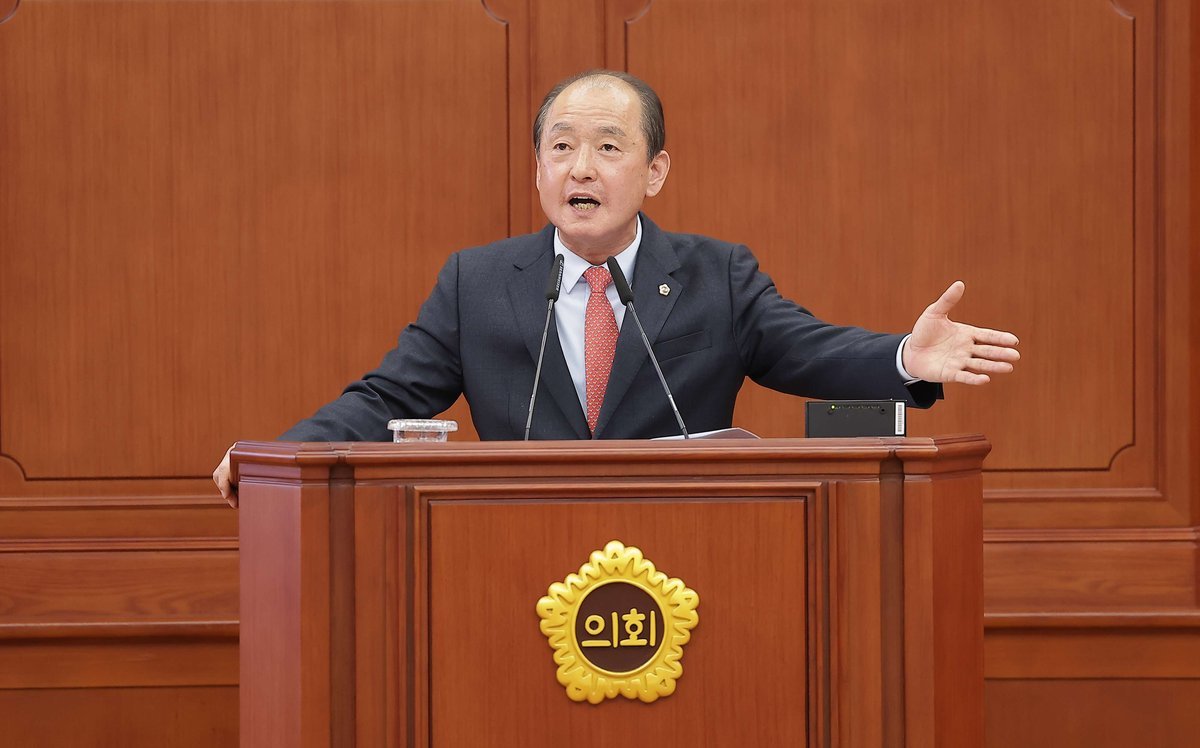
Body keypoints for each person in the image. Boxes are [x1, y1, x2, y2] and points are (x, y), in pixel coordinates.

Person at [213, 69, 1019, 504]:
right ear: (539, 170)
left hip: (686, 556)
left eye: (607, 147)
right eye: (561, 148)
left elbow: (807, 352)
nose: (581, 169)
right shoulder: (478, 282)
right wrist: (275, 458)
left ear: (654, 171)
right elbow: (387, 397)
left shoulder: (716, 275)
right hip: (513, 554)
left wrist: (906, 357)